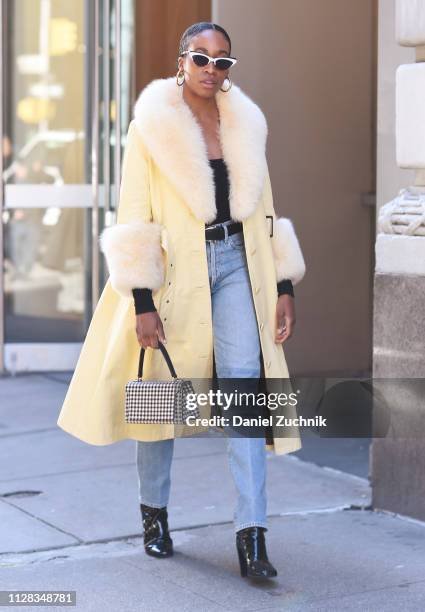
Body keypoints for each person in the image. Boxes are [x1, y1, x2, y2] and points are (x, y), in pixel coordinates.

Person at [57, 21, 306, 580]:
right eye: (201, 58)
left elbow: (267, 206)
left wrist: (283, 283)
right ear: (181, 61)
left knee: (245, 391)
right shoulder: (151, 127)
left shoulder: (245, 121)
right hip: (173, 274)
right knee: (161, 398)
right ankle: (155, 516)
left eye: (223, 61)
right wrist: (142, 299)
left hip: (239, 265)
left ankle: (253, 537)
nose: (212, 70)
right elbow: (134, 215)